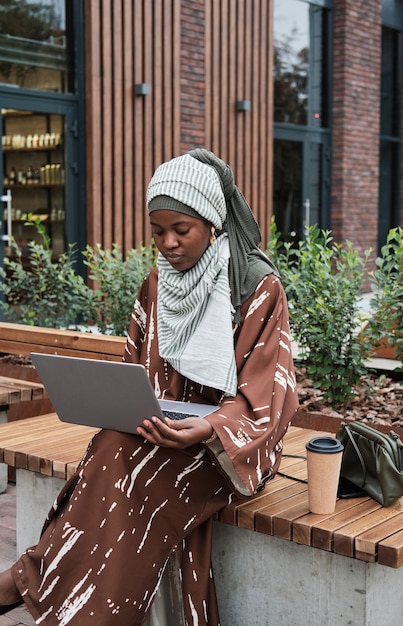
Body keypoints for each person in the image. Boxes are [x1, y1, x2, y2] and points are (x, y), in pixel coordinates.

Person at [0, 148, 298, 625]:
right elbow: (133, 369)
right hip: (156, 429)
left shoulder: (256, 286)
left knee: (120, 466)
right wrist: (131, 406)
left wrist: (207, 429)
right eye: (158, 231)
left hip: (230, 445)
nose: (168, 244)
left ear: (213, 222)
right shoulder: (157, 284)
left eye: (182, 230)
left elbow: (270, 396)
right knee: (114, 445)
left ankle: (33, 583)